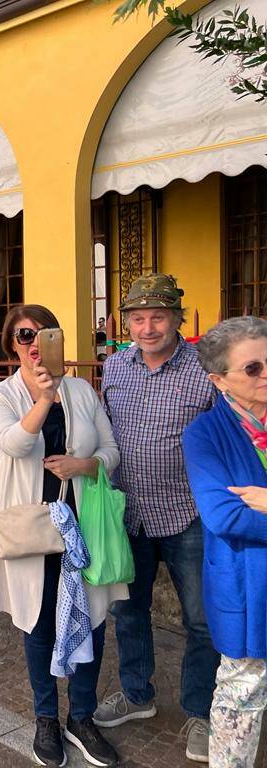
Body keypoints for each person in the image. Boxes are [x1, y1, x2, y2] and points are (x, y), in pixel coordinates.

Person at [0, 305, 126, 767]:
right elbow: (15, 444)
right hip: (32, 528)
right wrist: (43, 399)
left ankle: (81, 716)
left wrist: (86, 465)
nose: (34, 344)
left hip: (84, 525)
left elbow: (111, 450)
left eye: (44, 335)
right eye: (24, 336)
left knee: (94, 617)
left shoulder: (82, 390)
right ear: (12, 344)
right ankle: (46, 716)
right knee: (39, 619)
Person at [95, 275, 218, 764]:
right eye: (138, 318)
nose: (147, 328)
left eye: (158, 317)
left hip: (188, 514)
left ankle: (202, 711)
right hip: (130, 514)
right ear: (126, 323)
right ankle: (137, 695)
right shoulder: (116, 366)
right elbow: (103, 426)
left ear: (177, 320)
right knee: (128, 612)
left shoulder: (205, 370)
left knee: (201, 620)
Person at [177, 317, 267, 766]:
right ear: (219, 380)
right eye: (253, 368)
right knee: (242, 694)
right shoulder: (205, 435)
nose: (266, 374)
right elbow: (225, 515)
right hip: (248, 586)